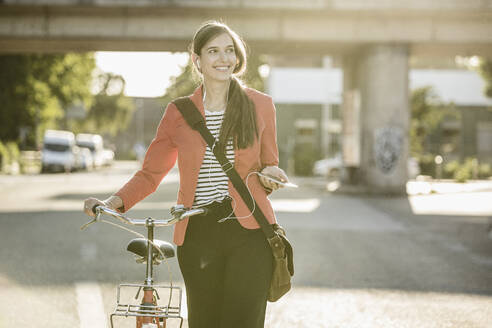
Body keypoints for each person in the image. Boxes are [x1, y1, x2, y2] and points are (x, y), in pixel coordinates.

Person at [83, 20, 291, 328]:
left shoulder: (260, 105)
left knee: (243, 322)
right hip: (198, 233)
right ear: (197, 60)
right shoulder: (179, 113)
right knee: (204, 321)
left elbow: (267, 166)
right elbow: (151, 174)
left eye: (229, 50)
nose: (224, 59)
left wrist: (271, 175)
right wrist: (113, 202)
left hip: (250, 233)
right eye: (214, 51)